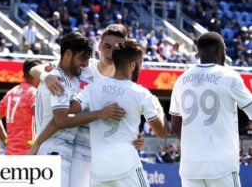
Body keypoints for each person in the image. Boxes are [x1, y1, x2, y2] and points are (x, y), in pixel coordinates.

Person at [30, 24, 145, 187]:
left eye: (116, 48)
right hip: (63, 146)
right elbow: (35, 68)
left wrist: (135, 136)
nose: (110, 52)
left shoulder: (122, 84)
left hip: (91, 154)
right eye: (107, 46)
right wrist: (45, 76)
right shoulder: (82, 66)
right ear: (99, 46)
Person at [54, 39, 168, 186]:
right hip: (127, 167)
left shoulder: (92, 88)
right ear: (133, 65)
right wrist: (158, 106)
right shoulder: (141, 93)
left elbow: (68, 110)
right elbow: (162, 133)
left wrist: (51, 77)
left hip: (99, 171)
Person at [169, 31, 252, 187]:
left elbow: (174, 126)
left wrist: (195, 144)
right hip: (222, 165)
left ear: (198, 52)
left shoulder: (181, 80)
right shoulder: (230, 77)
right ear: (219, 51)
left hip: (191, 167)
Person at [0, 58, 42, 155]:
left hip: (10, 154)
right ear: (35, 74)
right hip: (28, 155)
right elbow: (40, 121)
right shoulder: (34, 93)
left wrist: (6, 141)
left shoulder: (11, 92)